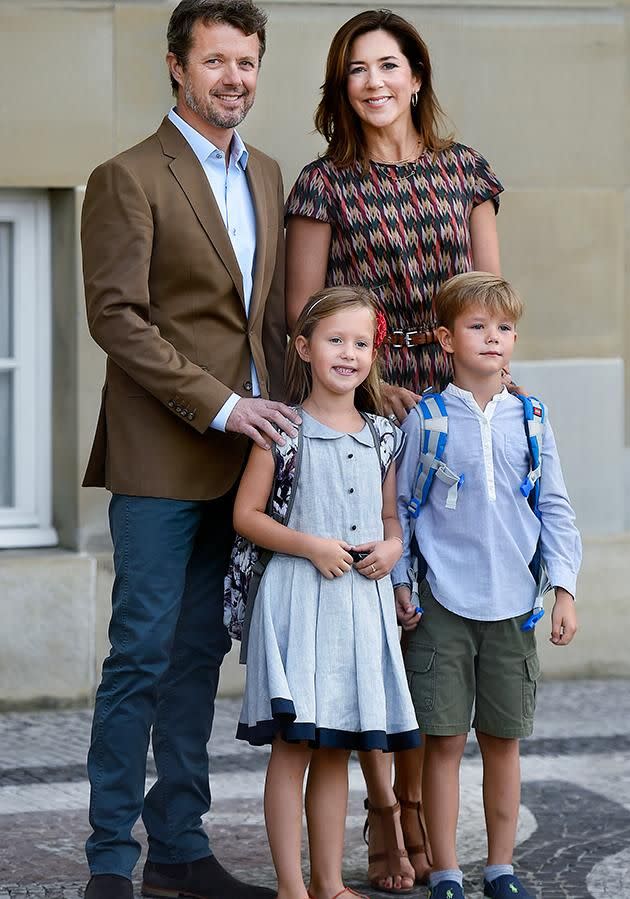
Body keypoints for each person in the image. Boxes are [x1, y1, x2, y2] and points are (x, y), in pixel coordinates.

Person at [80, 2, 300, 898]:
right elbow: (115, 318)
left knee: (200, 655)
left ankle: (178, 845)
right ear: (177, 67)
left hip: (246, 463)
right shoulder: (127, 176)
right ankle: (108, 861)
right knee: (139, 651)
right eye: (216, 61)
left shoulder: (272, 174)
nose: (234, 78)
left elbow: (274, 319)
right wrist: (221, 406)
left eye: (246, 61)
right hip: (162, 455)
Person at [284, 8, 503, 892]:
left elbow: (492, 301)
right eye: (355, 70)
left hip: (450, 412)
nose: (374, 82)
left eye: (388, 65)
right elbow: (301, 320)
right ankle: (384, 810)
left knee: (433, 619)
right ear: (342, 90)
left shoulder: (467, 173)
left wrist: (484, 405)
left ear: (416, 76)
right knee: (376, 610)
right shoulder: (321, 184)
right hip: (361, 412)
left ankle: (418, 811)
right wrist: (367, 398)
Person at [393, 272, 581, 899]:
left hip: (514, 608)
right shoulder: (426, 418)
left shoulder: (531, 418)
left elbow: (554, 506)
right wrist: (402, 583)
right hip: (443, 603)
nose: (493, 338)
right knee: (442, 742)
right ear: (446, 339)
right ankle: (446, 871)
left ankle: (500, 867)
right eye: (477, 327)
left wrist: (565, 589)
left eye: (503, 328)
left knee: (504, 742)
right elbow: (402, 509)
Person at [233, 286, 421, 899]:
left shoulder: (384, 435)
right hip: (296, 601)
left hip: (357, 608)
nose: (349, 353)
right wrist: (310, 545)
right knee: (294, 748)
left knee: (338, 746)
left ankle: (330, 883)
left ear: (375, 352)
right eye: (335, 340)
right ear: (304, 347)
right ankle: (292, 887)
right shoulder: (281, 431)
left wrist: (392, 552)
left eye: (361, 343)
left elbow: (392, 521)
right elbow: (247, 516)